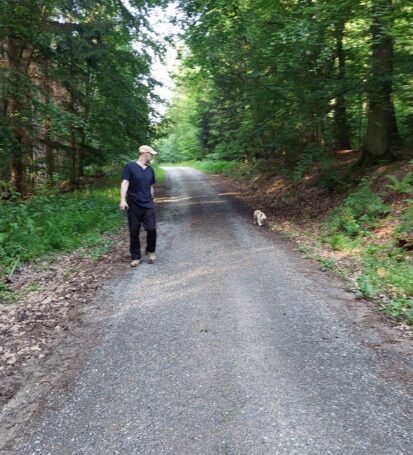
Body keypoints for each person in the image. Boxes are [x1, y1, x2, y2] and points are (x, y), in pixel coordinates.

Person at [120, 145, 157, 267]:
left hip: (148, 204)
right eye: (151, 154)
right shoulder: (130, 167)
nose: (152, 156)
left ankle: (150, 250)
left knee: (151, 229)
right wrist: (122, 200)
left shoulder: (150, 170)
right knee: (134, 231)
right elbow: (125, 183)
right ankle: (135, 257)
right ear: (145, 154)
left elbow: (151, 186)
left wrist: (152, 199)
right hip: (134, 204)